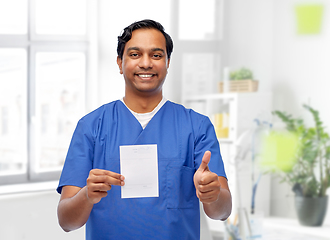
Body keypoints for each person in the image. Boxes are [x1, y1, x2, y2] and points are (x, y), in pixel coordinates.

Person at [57, 19, 232, 239]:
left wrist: (212, 194)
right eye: (135, 54)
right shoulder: (91, 127)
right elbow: (66, 221)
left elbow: (223, 212)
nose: (146, 63)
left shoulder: (196, 127)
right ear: (120, 63)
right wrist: (87, 195)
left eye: (156, 55)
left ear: (168, 62)